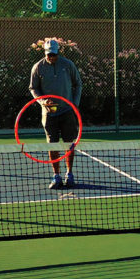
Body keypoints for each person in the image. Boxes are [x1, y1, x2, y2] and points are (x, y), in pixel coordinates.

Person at [29, 38, 82, 189]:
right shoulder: (38, 67)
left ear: (58, 52)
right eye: (48, 54)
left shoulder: (68, 65)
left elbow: (78, 84)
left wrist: (75, 104)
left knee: (69, 143)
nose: (51, 57)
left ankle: (69, 175)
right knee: (52, 144)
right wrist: (42, 102)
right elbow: (33, 88)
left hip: (67, 111)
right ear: (45, 53)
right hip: (49, 113)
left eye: (53, 54)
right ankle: (56, 176)